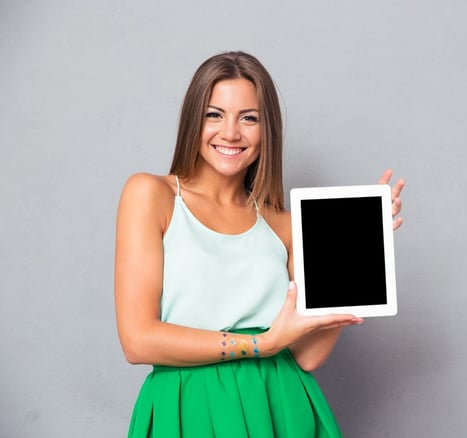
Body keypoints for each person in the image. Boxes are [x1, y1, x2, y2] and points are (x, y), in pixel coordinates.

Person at [114, 50, 405, 437]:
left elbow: (308, 356)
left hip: (281, 404)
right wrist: (260, 345)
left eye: (248, 118)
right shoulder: (151, 195)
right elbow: (137, 340)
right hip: (187, 406)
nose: (230, 132)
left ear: (267, 129)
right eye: (213, 114)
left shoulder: (285, 226)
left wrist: (355, 243)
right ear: (192, 121)